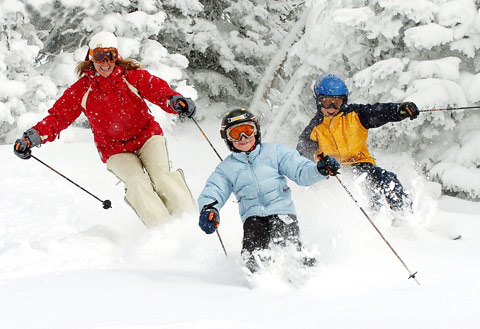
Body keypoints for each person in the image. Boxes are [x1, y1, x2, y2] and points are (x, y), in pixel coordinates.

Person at [13, 31, 197, 227]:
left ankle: (190, 221)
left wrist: (175, 100)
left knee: (161, 175)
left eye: (111, 55)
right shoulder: (83, 89)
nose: (106, 62)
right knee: (136, 181)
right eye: (100, 55)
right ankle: (163, 229)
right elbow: (58, 117)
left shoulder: (132, 77)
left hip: (147, 137)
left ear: (117, 57)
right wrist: (31, 137)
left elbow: (159, 91)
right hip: (115, 149)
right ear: (91, 57)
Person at [197, 108, 340, 273]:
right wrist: (209, 209)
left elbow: (301, 171)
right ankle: (258, 279)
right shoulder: (227, 168)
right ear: (228, 139)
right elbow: (214, 190)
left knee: (286, 240)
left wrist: (319, 170)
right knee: (254, 247)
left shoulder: (275, 152)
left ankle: (304, 270)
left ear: (256, 131)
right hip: (253, 217)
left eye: (247, 131)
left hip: (282, 211)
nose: (243, 138)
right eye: (236, 134)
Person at [297, 74, 420, 213]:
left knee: (386, 179)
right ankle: (371, 219)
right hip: (334, 171)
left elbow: (379, 112)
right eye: (326, 102)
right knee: (362, 194)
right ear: (318, 101)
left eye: (336, 103)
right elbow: (302, 153)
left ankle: (404, 214)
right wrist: (319, 167)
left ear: (344, 102)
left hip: (360, 163)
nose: (331, 108)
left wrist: (399, 110)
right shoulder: (314, 129)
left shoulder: (356, 115)